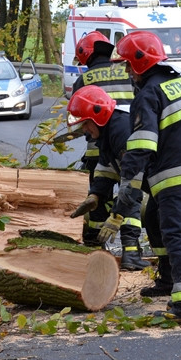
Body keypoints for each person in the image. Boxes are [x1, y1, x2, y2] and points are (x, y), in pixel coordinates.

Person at [112, 30, 181, 324]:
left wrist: (128, 181)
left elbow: (143, 145)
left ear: (138, 63)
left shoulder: (148, 94)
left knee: (179, 238)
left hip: (174, 182)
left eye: (126, 65)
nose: (125, 71)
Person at [69, 31, 141, 264]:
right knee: (115, 191)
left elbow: (80, 116)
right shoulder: (127, 71)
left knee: (124, 190)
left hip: (111, 143)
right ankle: (127, 249)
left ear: (84, 55)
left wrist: (117, 215)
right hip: (126, 137)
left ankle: (95, 243)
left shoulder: (85, 79)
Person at [66, 86, 149, 271]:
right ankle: (132, 255)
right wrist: (95, 195)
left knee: (135, 201)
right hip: (144, 176)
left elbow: (132, 177)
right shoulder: (107, 131)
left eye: (86, 124)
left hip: (156, 176)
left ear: (98, 117)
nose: (85, 131)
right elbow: (106, 169)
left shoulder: (121, 129)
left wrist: (117, 216)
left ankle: (133, 254)